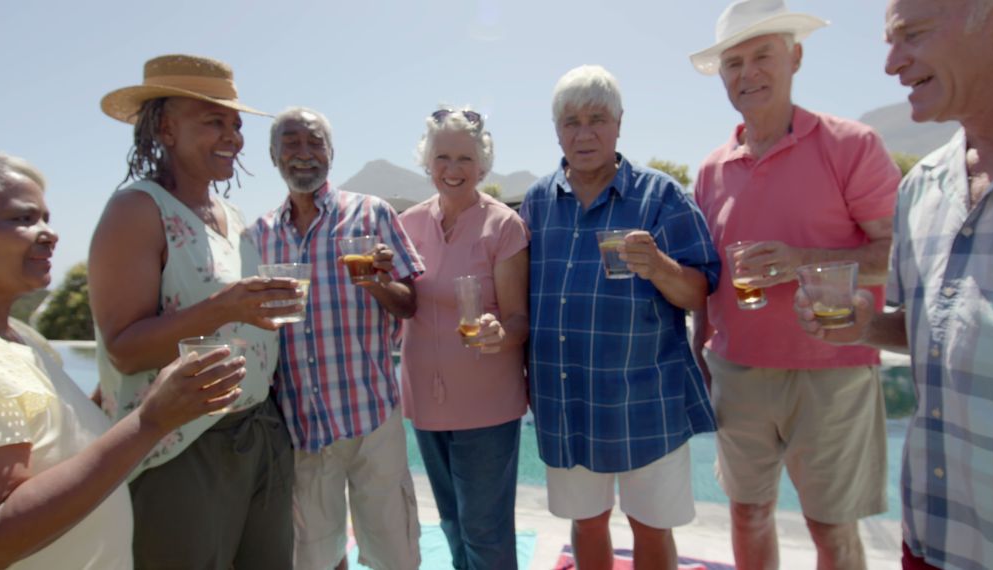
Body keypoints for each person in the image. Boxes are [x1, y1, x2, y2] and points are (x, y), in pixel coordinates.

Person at [0, 147, 246, 569]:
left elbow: (50, 445)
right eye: (22, 219)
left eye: (46, 218)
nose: (48, 233)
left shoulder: (20, 338)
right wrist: (150, 421)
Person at [796, 1, 993, 568]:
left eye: (912, 35)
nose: (892, 64)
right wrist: (864, 326)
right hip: (931, 538)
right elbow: (930, 331)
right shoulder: (921, 188)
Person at [688, 1, 901, 568]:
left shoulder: (851, 145)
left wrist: (800, 261)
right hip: (738, 372)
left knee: (830, 527)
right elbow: (709, 276)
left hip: (833, 371)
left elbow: (897, 257)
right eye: (734, 63)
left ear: (796, 58)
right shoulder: (711, 169)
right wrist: (697, 350)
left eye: (763, 56)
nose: (748, 73)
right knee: (747, 513)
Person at [90, 54, 299, 568]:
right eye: (213, 121)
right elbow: (124, 351)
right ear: (164, 126)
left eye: (235, 124)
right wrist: (226, 307)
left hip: (261, 431)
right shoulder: (137, 211)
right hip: (181, 447)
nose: (233, 136)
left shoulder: (232, 216)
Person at [519, 65, 720, 570]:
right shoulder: (536, 204)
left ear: (619, 124)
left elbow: (699, 292)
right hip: (566, 398)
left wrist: (659, 267)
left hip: (643, 400)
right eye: (571, 122)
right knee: (586, 523)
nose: (584, 133)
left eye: (597, 119)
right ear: (556, 129)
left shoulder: (662, 197)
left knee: (651, 528)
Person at [249, 107, 424, 570]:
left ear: (331, 154)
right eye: (291, 143)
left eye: (315, 143)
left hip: (371, 415)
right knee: (313, 557)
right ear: (273, 155)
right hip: (303, 423)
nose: (304, 154)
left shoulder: (372, 214)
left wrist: (378, 284)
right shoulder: (258, 236)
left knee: (395, 554)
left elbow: (410, 303)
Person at [398, 108, 529, 569]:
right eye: (443, 157)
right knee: (452, 523)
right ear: (427, 161)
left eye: (465, 159)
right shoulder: (407, 225)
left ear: (483, 166)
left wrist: (500, 333)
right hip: (425, 403)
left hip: (487, 404)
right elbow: (398, 304)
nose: (453, 170)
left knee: (485, 530)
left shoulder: (503, 226)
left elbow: (518, 320)